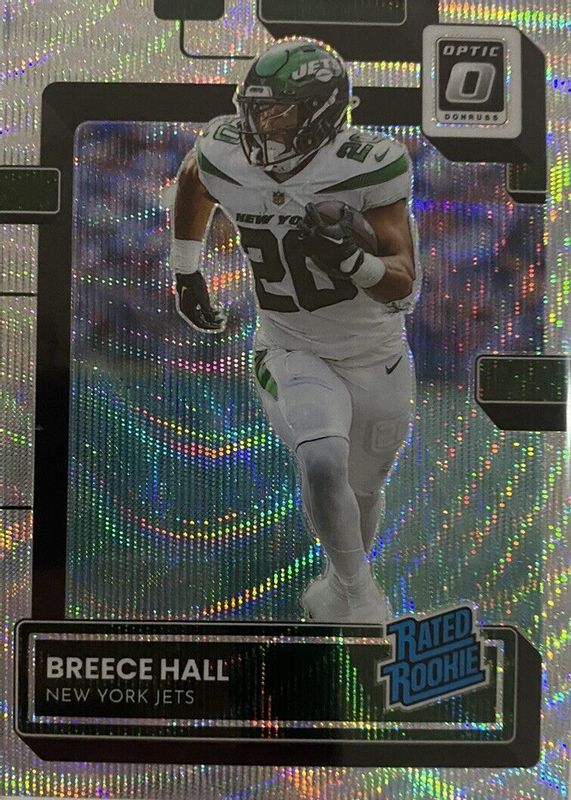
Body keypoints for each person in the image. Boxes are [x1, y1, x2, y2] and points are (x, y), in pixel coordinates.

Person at [170, 38, 421, 623]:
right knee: (323, 461)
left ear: (321, 113)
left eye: (277, 111)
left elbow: (402, 284)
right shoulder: (225, 149)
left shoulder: (369, 162)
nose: (260, 124)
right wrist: (186, 271)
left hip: (376, 353)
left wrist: (351, 260)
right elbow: (194, 177)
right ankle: (361, 597)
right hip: (289, 345)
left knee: (362, 489)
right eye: (255, 109)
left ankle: (340, 586)